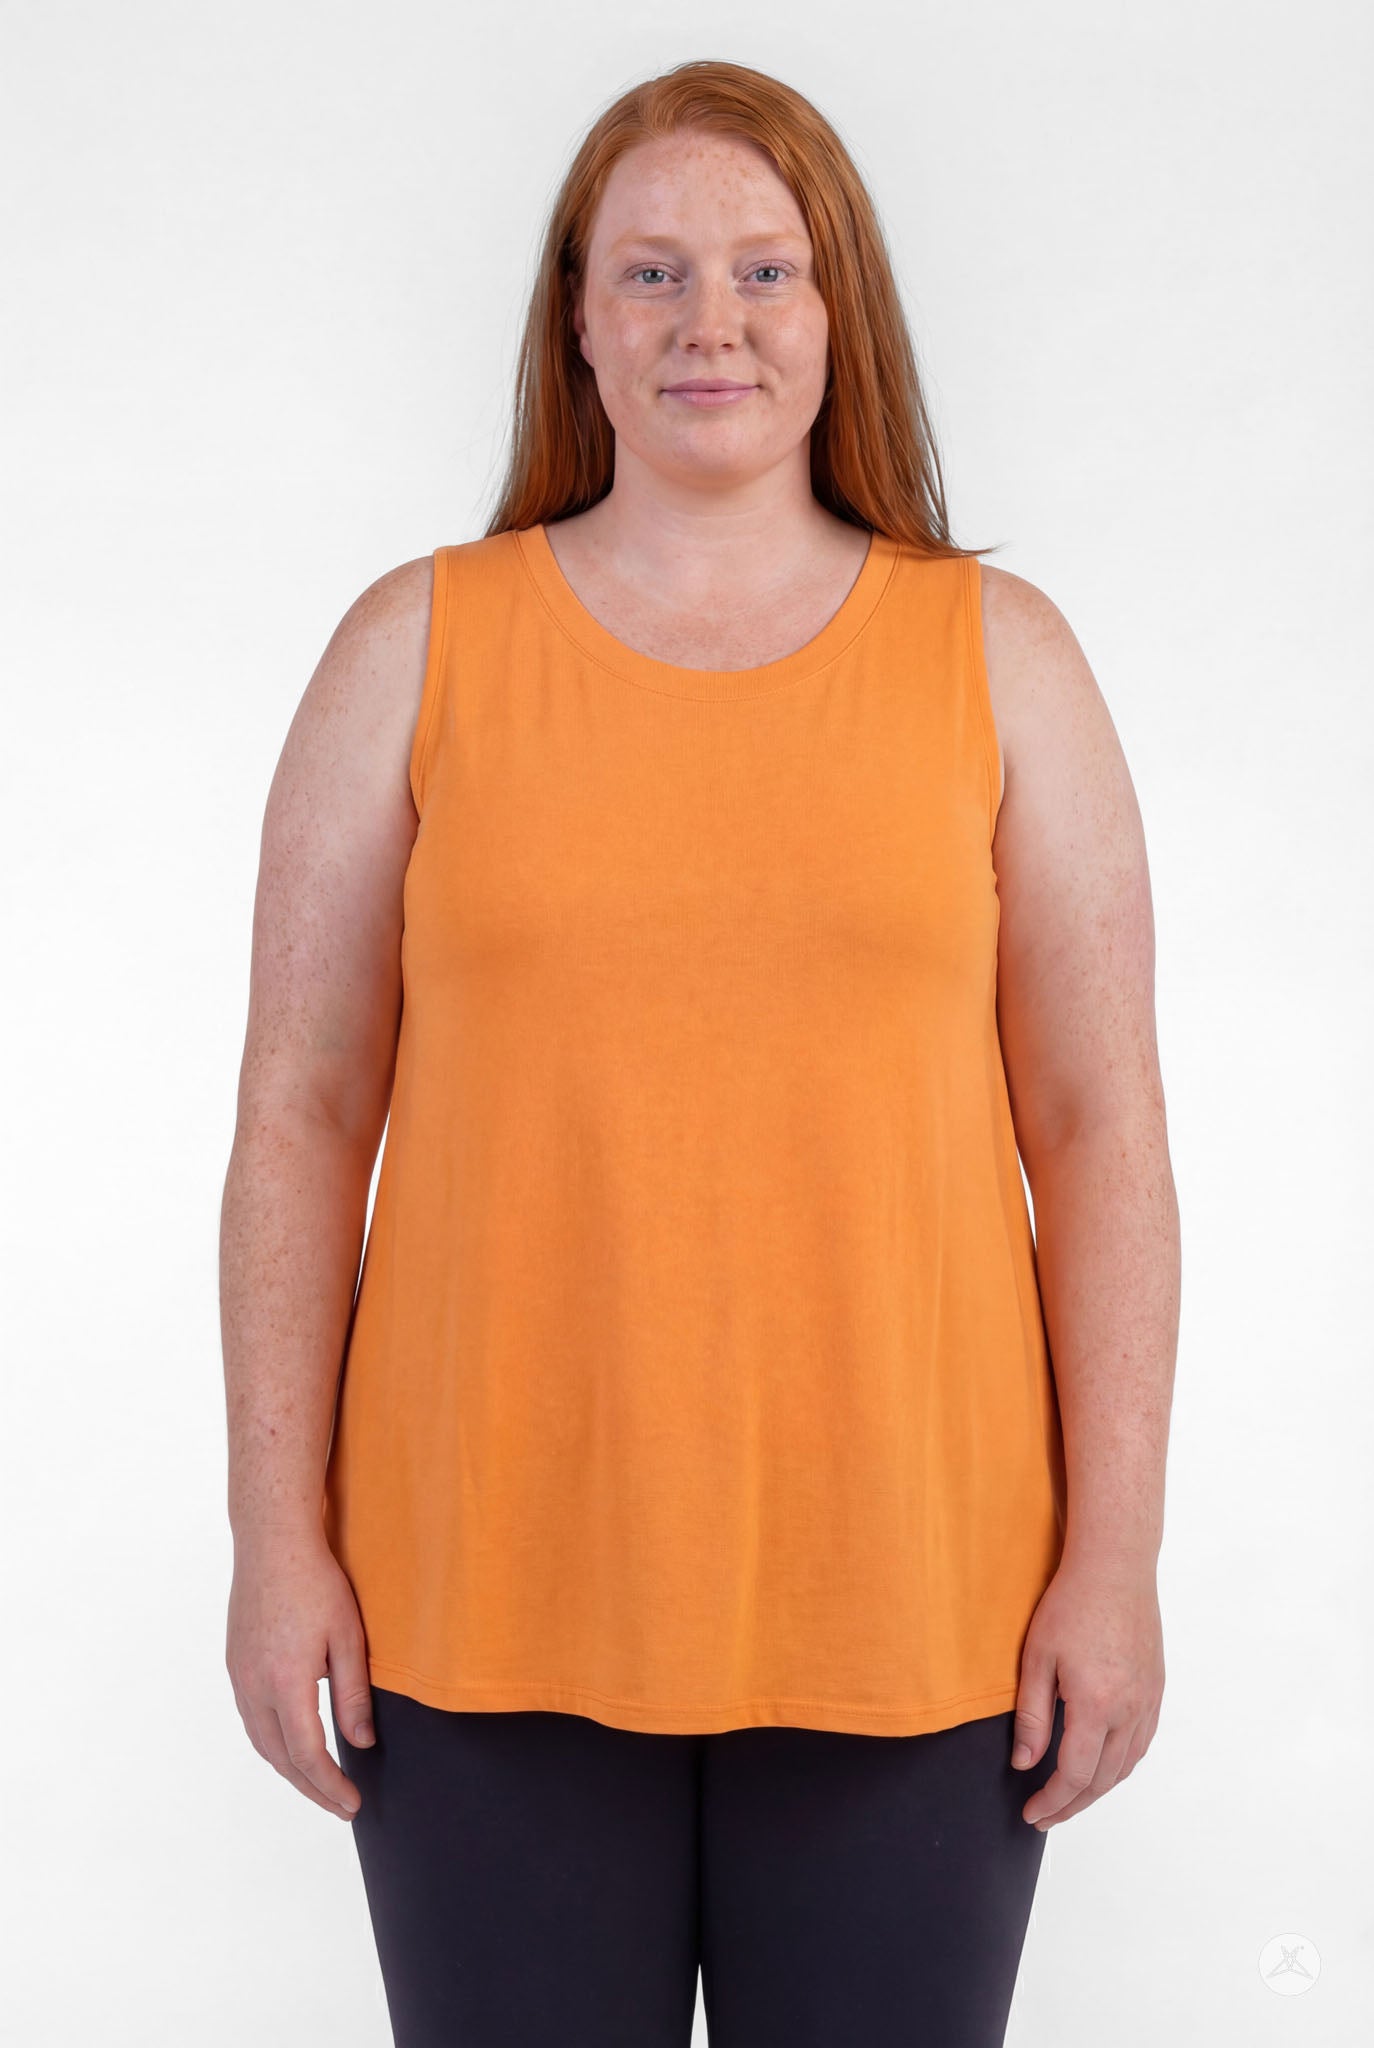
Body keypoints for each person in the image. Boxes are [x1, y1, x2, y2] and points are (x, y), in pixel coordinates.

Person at [222, 57, 1179, 2048]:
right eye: (650, 272)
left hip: (918, 1604)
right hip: (474, 1599)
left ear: (840, 313)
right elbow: (301, 1116)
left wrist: (1115, 1560)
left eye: (764, 268)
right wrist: (272, 1537)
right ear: (577, 319)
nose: (708, 321)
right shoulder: (414, 647)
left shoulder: (1003, 660)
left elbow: (1099, 1130)